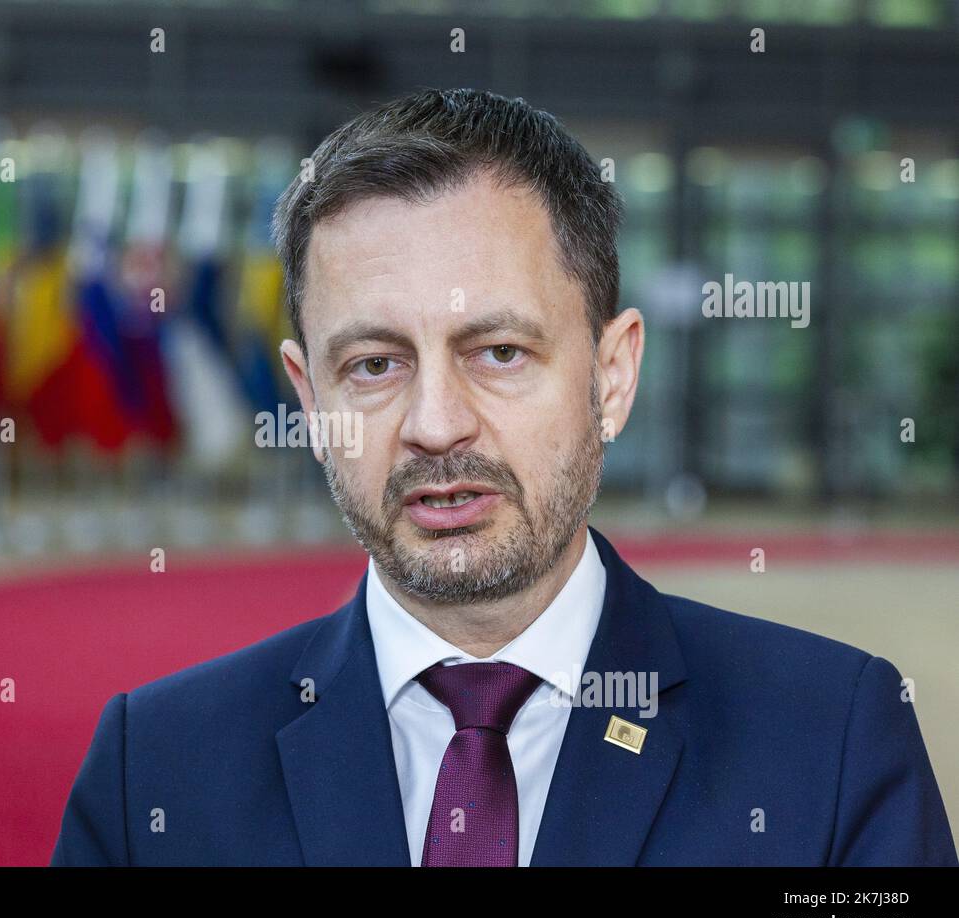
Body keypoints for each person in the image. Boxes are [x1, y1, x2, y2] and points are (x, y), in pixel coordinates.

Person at [51, 88, 957, 866]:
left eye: (498, 351)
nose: (436, 424)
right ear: (307, 395)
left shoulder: (830, 746)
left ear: (612, 377)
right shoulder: (155, 774)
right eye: (374, 365)